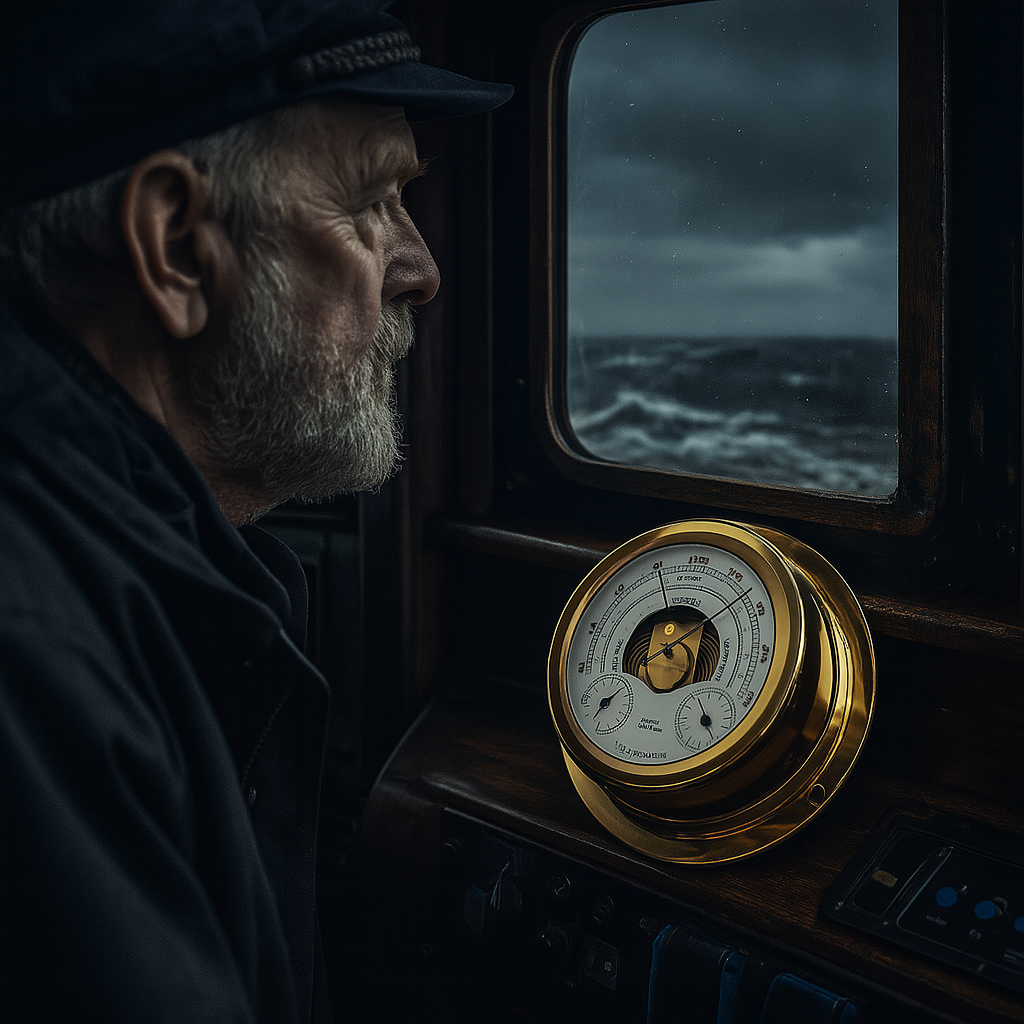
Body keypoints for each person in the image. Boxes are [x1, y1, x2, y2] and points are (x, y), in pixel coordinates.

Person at [0, 1, 511, 1021]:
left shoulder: (133, 551)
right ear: (178, 246)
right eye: (370, 204)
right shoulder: (33, 650)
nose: (420, 269)